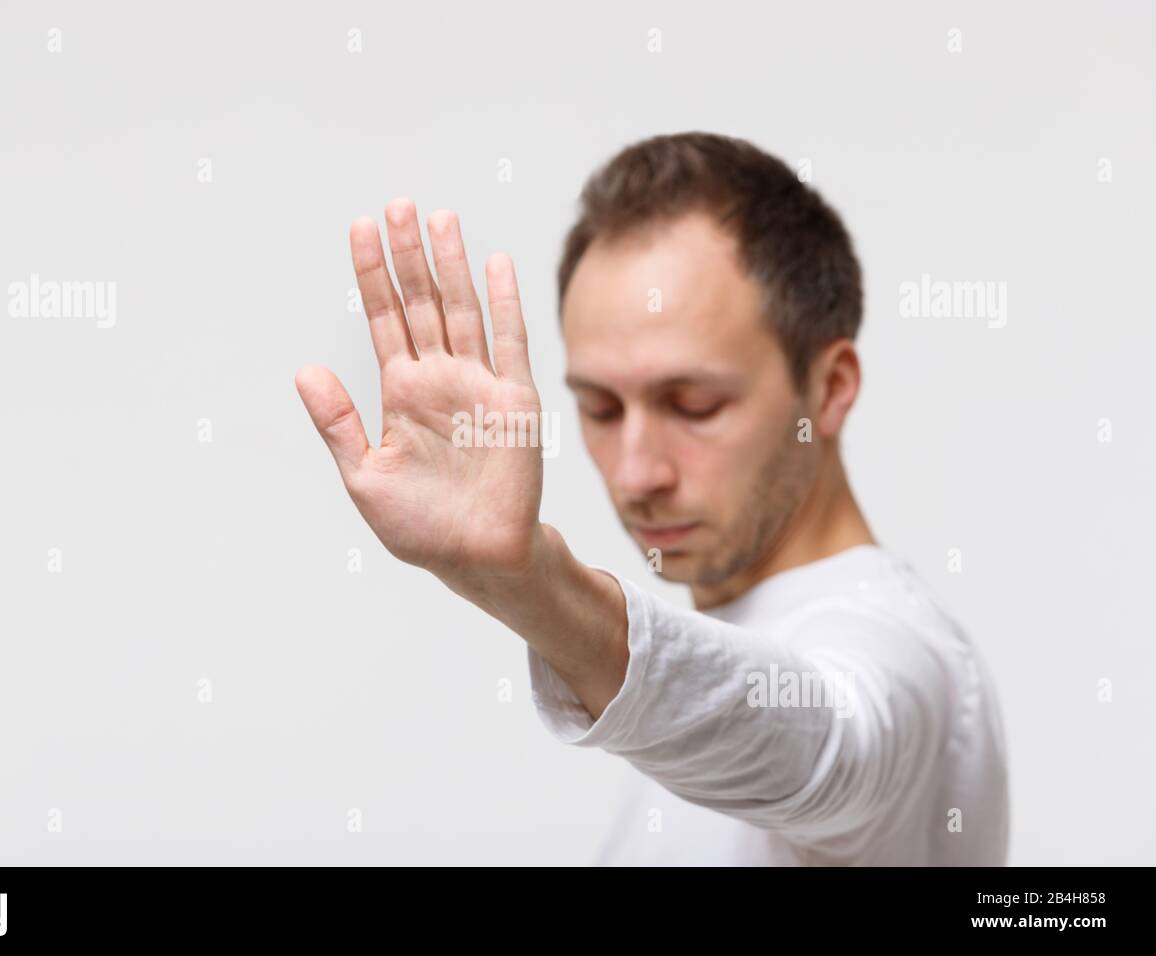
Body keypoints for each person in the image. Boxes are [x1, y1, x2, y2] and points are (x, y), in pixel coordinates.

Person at [295, 131, 1010, 865]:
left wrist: (532, 585)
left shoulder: (895, 647)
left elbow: (832, 753)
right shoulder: (719, 651)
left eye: (694, 404)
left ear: (828, 389)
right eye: (601, 409)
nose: (637, 474)